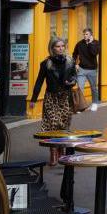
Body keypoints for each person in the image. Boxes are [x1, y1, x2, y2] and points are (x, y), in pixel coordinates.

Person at [29, 37, 77, 165]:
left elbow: (74, 77)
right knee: (52, 125)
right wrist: (33, 98)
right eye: (58, 46)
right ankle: (53, 152)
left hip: (65, 97)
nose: (61, 48)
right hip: (51, 97)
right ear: (52, 48)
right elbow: (39, 81)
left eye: (62, 46)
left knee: (63, 125)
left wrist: (71, 82)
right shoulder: (46, 64)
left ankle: (61, 150)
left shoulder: (70, 61)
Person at [72, 28, 101, 112]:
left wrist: (90, 43)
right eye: (84, 34)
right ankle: (81, 106)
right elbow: (74, 54)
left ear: (91, 35)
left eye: (87, 34)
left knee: (93, 88)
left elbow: (94, 53)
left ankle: (95, 103)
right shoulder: (79, 44)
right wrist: (75, 64)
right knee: (80, 88)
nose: (85, 36)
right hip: (81, 69)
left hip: (92, 69)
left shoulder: (96, 43)